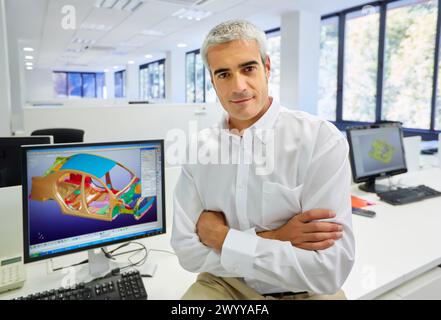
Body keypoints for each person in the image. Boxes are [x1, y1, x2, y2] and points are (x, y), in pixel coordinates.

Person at [170, 19, 355, 300]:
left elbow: (327, 270)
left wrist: (221, 238)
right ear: (212, 81)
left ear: (266, 68)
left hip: (305, 292)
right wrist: (278, 238)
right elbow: (188, 252)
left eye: (248, 68)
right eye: (223, 74)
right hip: (225, 285)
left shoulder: (319, 139)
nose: (238, 86)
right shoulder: (199, 149)